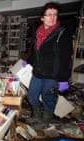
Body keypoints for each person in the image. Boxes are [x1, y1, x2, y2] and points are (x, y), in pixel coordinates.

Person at [23, 2, 73, 130]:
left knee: (48, 99)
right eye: (49, 15)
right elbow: (36, 52)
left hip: (52, 75)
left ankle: (44, 121)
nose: (52, 18)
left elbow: (66, 59)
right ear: (42, 17)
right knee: (31, 96)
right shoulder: (39, 32)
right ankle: (37, 116)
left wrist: (63, 80)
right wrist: (27, 61)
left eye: (55, 15)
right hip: (38, 73)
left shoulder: (62, 34)